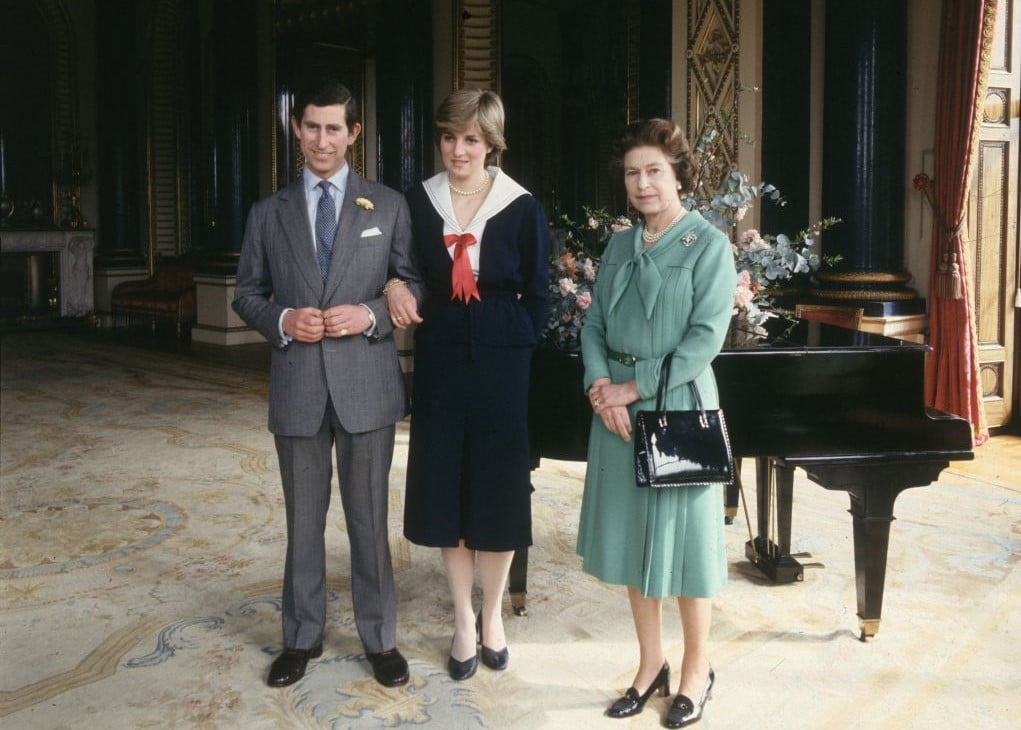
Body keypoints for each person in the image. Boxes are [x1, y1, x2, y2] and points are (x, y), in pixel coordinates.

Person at [233, 79, 421, 689]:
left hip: (366, 386)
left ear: (354, 134)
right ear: (296, 129)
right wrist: (284, 320)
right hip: (298, 388)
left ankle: (380, 638)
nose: (321, 139)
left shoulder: (388, 206)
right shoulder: (268, 212)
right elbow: (246, 294)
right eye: (310, 126)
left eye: (333, 128)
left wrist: (369, 314)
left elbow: (411, 284)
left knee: (368, 520)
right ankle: (301, 636)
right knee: (303, 522)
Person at [385, 88, 550, 681]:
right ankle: (460, 619)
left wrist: (515, 338)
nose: (459, 149)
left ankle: (492, 615)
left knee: (498, 484)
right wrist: (393, 291)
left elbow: (541, 291)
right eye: (450, 137)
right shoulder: (418, 201)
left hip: (504, 357)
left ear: (491, 144)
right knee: (447, 481)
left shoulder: (520, 205)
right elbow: (401, 271)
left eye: (472, 139)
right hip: (443, 353)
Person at [577, 118, 735, 728]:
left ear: (678, 177)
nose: (642, 184)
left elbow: (703, 341)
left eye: (654, 172)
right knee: (630, 540)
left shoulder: (709, 245)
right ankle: (651, 665)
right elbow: (593, 327)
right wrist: (602, 389)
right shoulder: (618, 245)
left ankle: (697, 669)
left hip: (680, 411)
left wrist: (631, 387)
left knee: (689, 550)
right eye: (632, 173)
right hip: (615, 414)